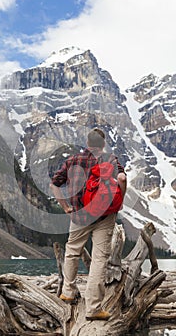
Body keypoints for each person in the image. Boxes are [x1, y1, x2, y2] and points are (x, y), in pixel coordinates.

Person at [50, 128, 127, 320]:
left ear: (87, 142)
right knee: (100, 259)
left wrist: (65, 206)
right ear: (103, 143)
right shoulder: (111, 160)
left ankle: (68, 292)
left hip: (79, 215)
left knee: (73, 251)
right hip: (105, 216)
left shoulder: (73, 160)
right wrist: (121, 200)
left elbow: (54, 184)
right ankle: (93, 308)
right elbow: (122, 178)